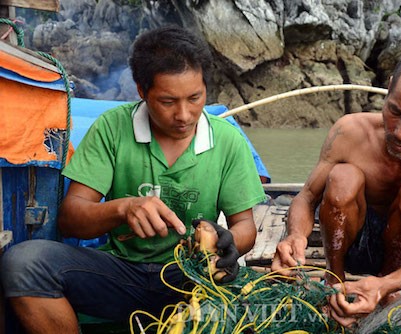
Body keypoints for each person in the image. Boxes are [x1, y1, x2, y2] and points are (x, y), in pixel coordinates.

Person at [1, 25, 266, 333]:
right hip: (120, 274)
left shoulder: (227, 140)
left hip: (191, 278)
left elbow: (245, 225)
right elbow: (71, 218)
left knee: (269, 300)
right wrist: (122, 209)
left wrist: (228, 242)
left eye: (195, 98)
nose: (184, 114)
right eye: (168, 101)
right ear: (142, 91)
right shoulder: (112, 128)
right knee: (23, 263)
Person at [271, 48, 401, 327]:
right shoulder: (350, 131)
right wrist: (295, 236)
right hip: (349, 241)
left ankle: (385, 290)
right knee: (343, 177)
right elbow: (307, 197)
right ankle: (334, 279)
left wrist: (385, 284)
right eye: (395, 111)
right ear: (389, 87)